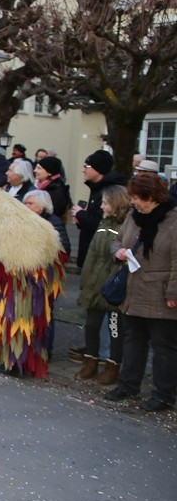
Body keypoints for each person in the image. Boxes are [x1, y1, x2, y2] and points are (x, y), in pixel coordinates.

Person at [105, 175, 177, 412]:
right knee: (133, 341)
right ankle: (128, 384)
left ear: (152, 197)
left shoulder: (173, 221)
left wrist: (173, 293)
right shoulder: (133, 218)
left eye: (137, 198)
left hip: (160, 292)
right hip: (133, 290)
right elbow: (116, 241)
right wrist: (119, 252)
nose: (133, 202)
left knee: (163, 346)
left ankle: (164, 394)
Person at [0, 188, 65, 379]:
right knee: (13, 322)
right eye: (25, 203)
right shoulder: (11, 225)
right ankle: (13, 360)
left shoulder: (42, 226)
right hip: (17, 287)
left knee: (23, 323)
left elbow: (57, 254)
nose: (26, 207)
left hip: (27, 287)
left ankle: (20, 362)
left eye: (31, 204)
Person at [76, 185, 129, 385]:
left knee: (114, 329)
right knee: (91, 326)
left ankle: (112, 366)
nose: (102, 206)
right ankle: (91, 362)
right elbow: (93, 253)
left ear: (116, 204)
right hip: (95, 282)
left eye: (105, 202)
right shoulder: (103, 222)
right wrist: (86, 279)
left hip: (112, 286)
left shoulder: (127, 225)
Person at [71, 150, 126, 269]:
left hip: (100, 254)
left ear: (98, 168)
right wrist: (81, 219)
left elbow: (100, 222)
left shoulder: (109, 191)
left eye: (87, 166)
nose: (83, 170)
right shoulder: (97, 187)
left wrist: (80, 213)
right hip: (91, 250)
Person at [24, 189, 71, 253]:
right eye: (25, 203)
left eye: (30, 203)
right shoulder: (24, 220)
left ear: (42, 206)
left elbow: (64, 246)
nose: (26, 206)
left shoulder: (54, 222)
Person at [34, 155, 70, 221]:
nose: (35, 170)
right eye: (36, 167)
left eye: (39, 168)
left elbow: (50, 215)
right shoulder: (42, 187)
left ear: (49, 172)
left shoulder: (55, 192)